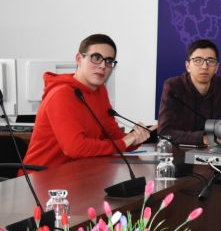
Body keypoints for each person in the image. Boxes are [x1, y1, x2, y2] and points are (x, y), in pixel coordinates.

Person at [23, 34, 152, 169]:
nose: (103, 66)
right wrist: (124, 143)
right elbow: (75, 148)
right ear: (79, 59)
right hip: (42, 176)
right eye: (96, 58)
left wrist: (135, 138)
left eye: (109, 61)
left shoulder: (100, 91)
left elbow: (112, 135)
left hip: (78, 172)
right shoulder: (61, 94)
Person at [158, 39, 221, 145]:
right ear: (188, 66)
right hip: (179, 149)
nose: (204, 66)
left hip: (212, 150)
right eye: (198, 60)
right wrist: (204, 138)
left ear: (217, 67)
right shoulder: (173, 86)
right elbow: (164, 132)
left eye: (210, 61)